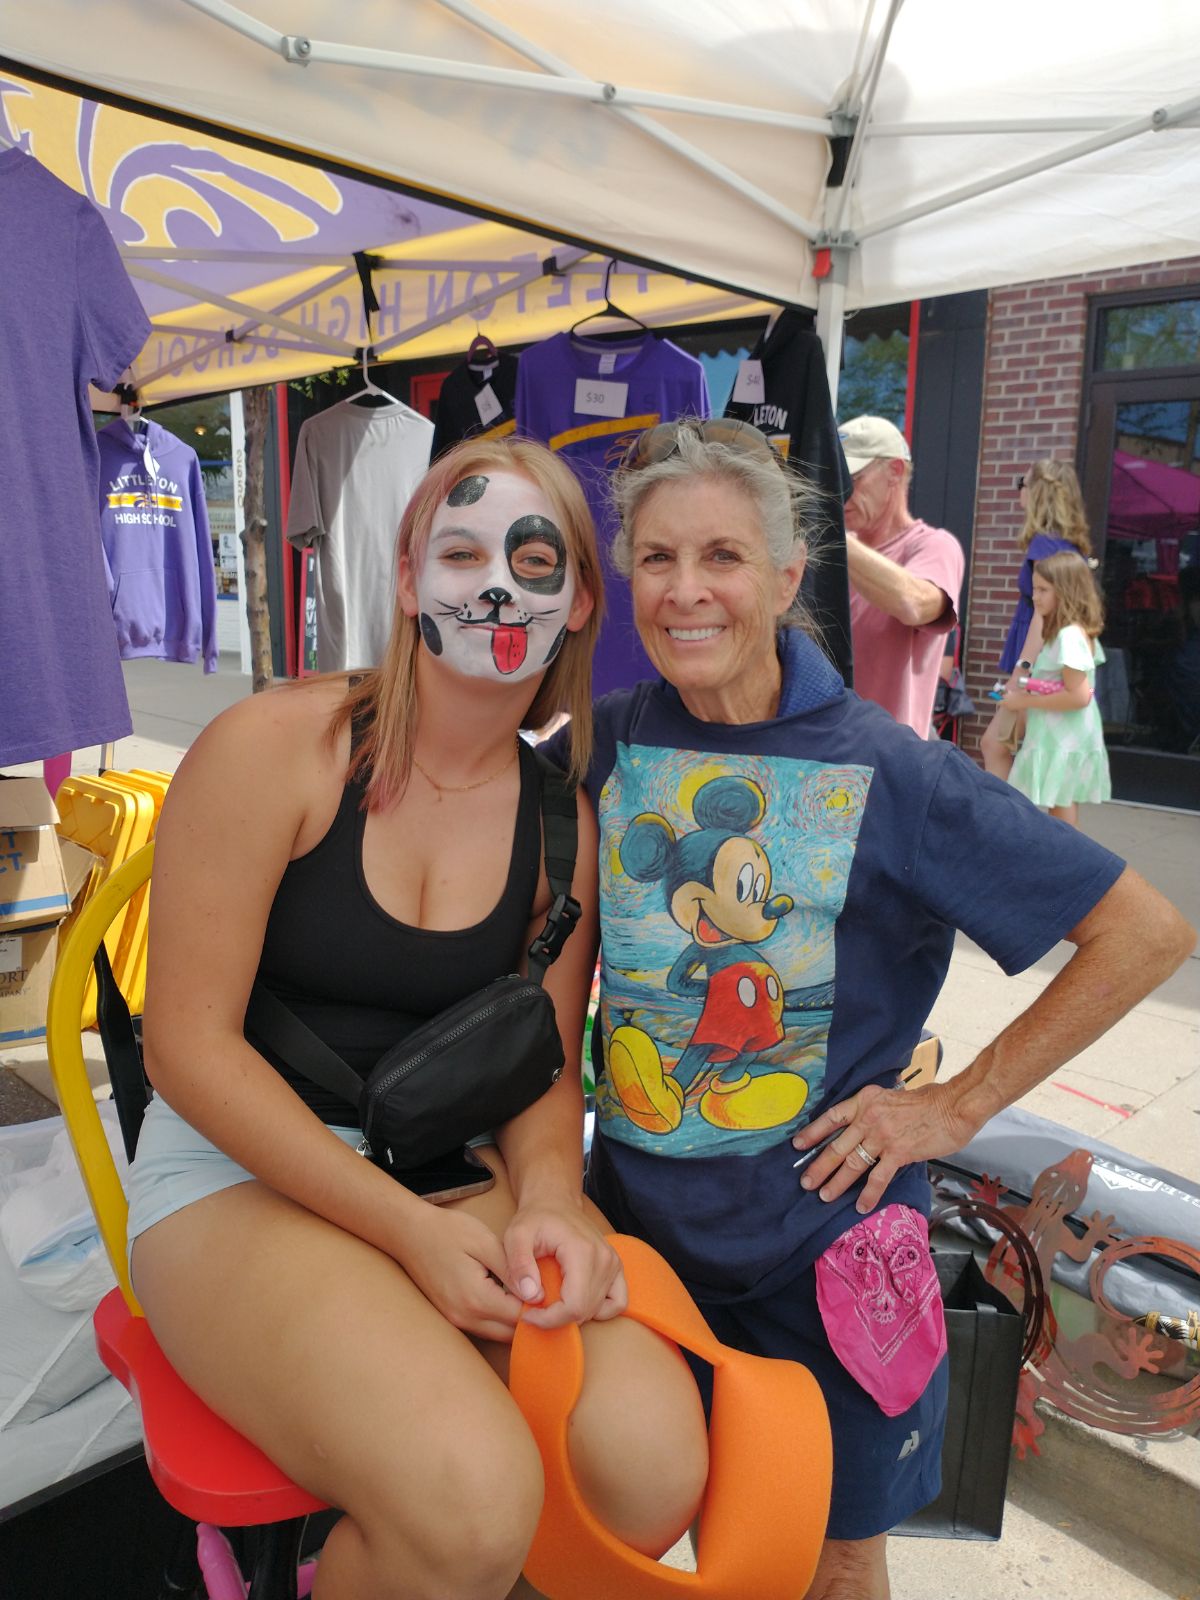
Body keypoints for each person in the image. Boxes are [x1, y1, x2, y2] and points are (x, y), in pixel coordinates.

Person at [546, 418, 1194, 1600]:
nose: (686, 590)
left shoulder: (894, 772)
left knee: (831, 1555)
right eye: (657, 557)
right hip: (633, 1237)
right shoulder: (610, 739)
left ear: (791, 572)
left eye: (723, 556)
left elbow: (1145, 932)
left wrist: (956, 1106)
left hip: (826, 1260)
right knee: (626, 1527)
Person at [127, 437, 708, 1600]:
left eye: (532, 561)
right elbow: (185, 1047)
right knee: (468, 1500)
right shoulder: (277, 749)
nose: (494, 586)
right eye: (459, 553)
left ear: (578, 603)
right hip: (234, 1176)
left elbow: (543, 1066)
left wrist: (551, 1202)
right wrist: (403, 1232)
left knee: (651, 1466)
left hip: (444, 1162)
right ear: (405, 579)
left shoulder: (562, 824)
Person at [838, 415, 965, 735]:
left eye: (850, 479)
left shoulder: (934, 546)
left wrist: (828, 531)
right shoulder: (834, 547)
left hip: (887, 754)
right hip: (823, 749)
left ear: (894, 471)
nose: (840, 492)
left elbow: (914, 604)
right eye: (833, 479)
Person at [981, 458, 1095, 778]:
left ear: (1039, 493)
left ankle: (1006, 812)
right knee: (1019, 749)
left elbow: (1042, 617)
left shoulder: (1044, 545)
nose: (1019, 489)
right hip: (1050, 663)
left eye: (1023, 482)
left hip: (1038, 663)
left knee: (998, 745)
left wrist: (1020, 674)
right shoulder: (1067, 546)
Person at [1005, 551, 1112, 827]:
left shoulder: (1069, 636)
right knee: (1060, 806)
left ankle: (1067, 856)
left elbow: (1079, 696)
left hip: (1064, 737)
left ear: (1065, 592)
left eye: (1043, 590)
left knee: (1062, 811)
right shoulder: (1068, 634)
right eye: (1034, 589)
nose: (1035, 597)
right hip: (1061, 735)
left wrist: (1023, 702)